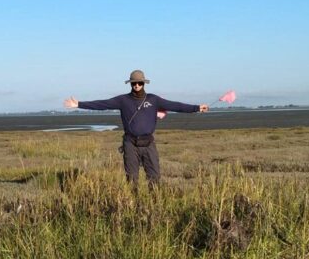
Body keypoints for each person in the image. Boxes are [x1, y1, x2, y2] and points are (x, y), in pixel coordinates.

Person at [64, 70, 209, 188]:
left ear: (144, 83)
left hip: (148, 143)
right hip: (130, 144)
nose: (137, 85)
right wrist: (79, 104)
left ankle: (154, 206)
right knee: (131, 178)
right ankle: (133, 206)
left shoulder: (153, 100)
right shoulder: (123, 100)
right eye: (134, 83)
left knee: (154, 177)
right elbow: (103, 104)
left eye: (140, 83)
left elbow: (176, 106)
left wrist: (196, 108)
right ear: (131, 83)